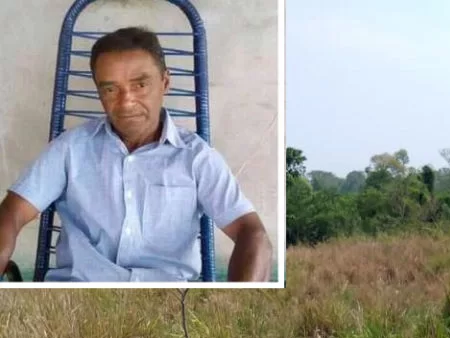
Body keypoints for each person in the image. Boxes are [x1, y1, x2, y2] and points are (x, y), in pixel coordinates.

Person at [0, 26, 272, 282]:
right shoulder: (70, 148)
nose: (126, 102)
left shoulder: (196, 158)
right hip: (77, 292)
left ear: (165, 82)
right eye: (110, 89)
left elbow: (252, 233)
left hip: (171, 299)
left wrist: (237, 299)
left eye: (140, 85)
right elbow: (11, 213)